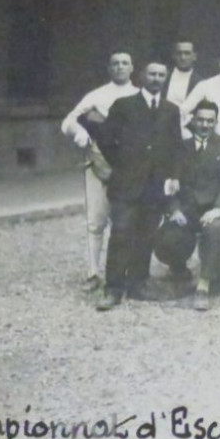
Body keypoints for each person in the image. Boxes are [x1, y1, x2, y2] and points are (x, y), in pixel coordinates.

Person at [85, 60, 188, 310]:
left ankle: (138, 283)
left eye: (161, 75)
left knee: (146, 235)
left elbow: (176, 147)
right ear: (142, 76)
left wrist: (172, 176)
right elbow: (107, 139)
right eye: (152, 74)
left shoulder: (171, 109)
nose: (156, 78)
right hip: (126, 184)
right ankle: (113, 288)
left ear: (165, 79)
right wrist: (122, 164)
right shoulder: (124, 106)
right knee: (121, 233)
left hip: (155, 186)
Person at [60, 51, 138, 291]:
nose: (120, 67)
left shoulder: (139, 96)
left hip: (129, 166)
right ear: (109, 68)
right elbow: (68, 121)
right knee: (96, 219)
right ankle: (93, 272)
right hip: (99, 161)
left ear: (132, 68)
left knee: (125, 220)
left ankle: (124, 273)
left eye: (125, 63)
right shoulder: (97, 95)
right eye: (115, 63)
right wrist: (80, 133)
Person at [154, 99, 220, 312]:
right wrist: (174, 209)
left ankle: (205, 283)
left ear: (216, 122)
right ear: (193, 120)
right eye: (200, 120)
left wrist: (219, 208)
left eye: (210, 121)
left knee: (216, 228)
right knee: (168, 236)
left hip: (213, 208)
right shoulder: (181, 148)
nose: (205, 125)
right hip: (187, 209)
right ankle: (178, 268)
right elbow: (170, 181)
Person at [163, 38, 199, 115]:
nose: (183, 57)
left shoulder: (201, 83)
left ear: (194, 56)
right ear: (174, 56)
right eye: (179, 53)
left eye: (187, 53)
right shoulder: (164, 77)